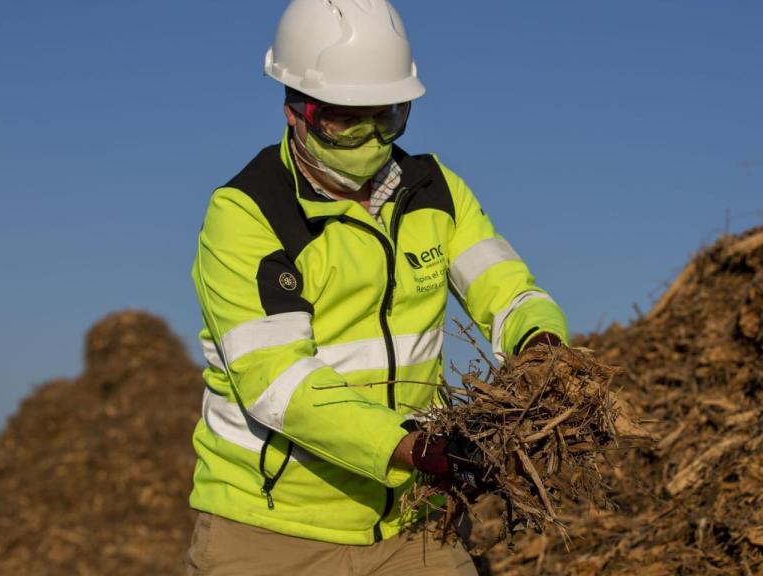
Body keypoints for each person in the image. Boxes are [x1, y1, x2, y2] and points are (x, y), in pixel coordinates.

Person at [185, 1, 568, 574]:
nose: (368, 136)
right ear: (295, 108)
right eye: (344, 117)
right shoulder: (246, 214)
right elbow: (278, 381)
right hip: (271, 530)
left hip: (413, 522)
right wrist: (417, 448)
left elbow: (506, 289)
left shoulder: (435, 192)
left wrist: (542, 350)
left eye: (385, 115)